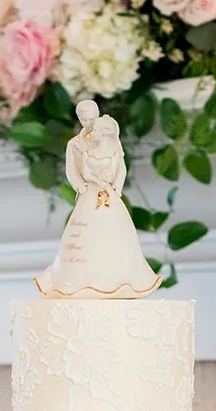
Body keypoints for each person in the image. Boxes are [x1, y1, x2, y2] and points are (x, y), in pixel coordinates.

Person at [35, 99, 161, 299]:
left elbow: (120, 164)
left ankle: (120, 276)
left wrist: (117, 185)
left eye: (91, 118)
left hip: (109, 195)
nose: (88, 122)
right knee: (84, 235)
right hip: (89, 194)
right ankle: (79, 278)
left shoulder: (111, 139)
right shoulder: (75, 144)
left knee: (115, 231)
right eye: (83, 119)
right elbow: (72, 170)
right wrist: (80, 185)